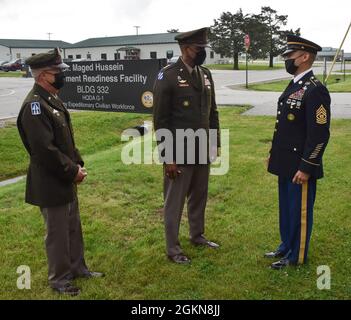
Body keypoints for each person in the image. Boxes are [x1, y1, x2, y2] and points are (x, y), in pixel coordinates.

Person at [17, 48, 104, 295]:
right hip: (51, 180)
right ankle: (60, 279)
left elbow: (65, 140)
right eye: (58, 72)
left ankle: (78, 268)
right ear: (44, 75)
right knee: (57, 234)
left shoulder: (51, 98)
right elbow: (45, 151)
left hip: (64, 177)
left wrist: (79, 163)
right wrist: (71, 171)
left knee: (72, 227)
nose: (62, 75)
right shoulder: (35, 106)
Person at [153, 28, 221, 264]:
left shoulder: (205, 74)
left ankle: (197, 235)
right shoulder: (168, 75)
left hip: (202, 148)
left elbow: (212, 112)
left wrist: (215, 143)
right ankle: (173, 249)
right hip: (179, 151)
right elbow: (160, 120)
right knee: (174, 201)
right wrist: (167, 157)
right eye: (198, 49)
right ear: (184, 49)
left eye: (204, 49)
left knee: (199, 195)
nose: (202, 53)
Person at [266, 35, 331, 269]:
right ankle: (286, 245)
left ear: (304, 57)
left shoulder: (316, 90)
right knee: (286, 207)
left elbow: (320, 134)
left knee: (299, 210)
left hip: (300, 164)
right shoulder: (295, 84)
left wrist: (307, 167)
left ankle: (296, 255)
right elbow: (283, 125)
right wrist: (274, 152)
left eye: (289, 56)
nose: (287, 60)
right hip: (285, 159)